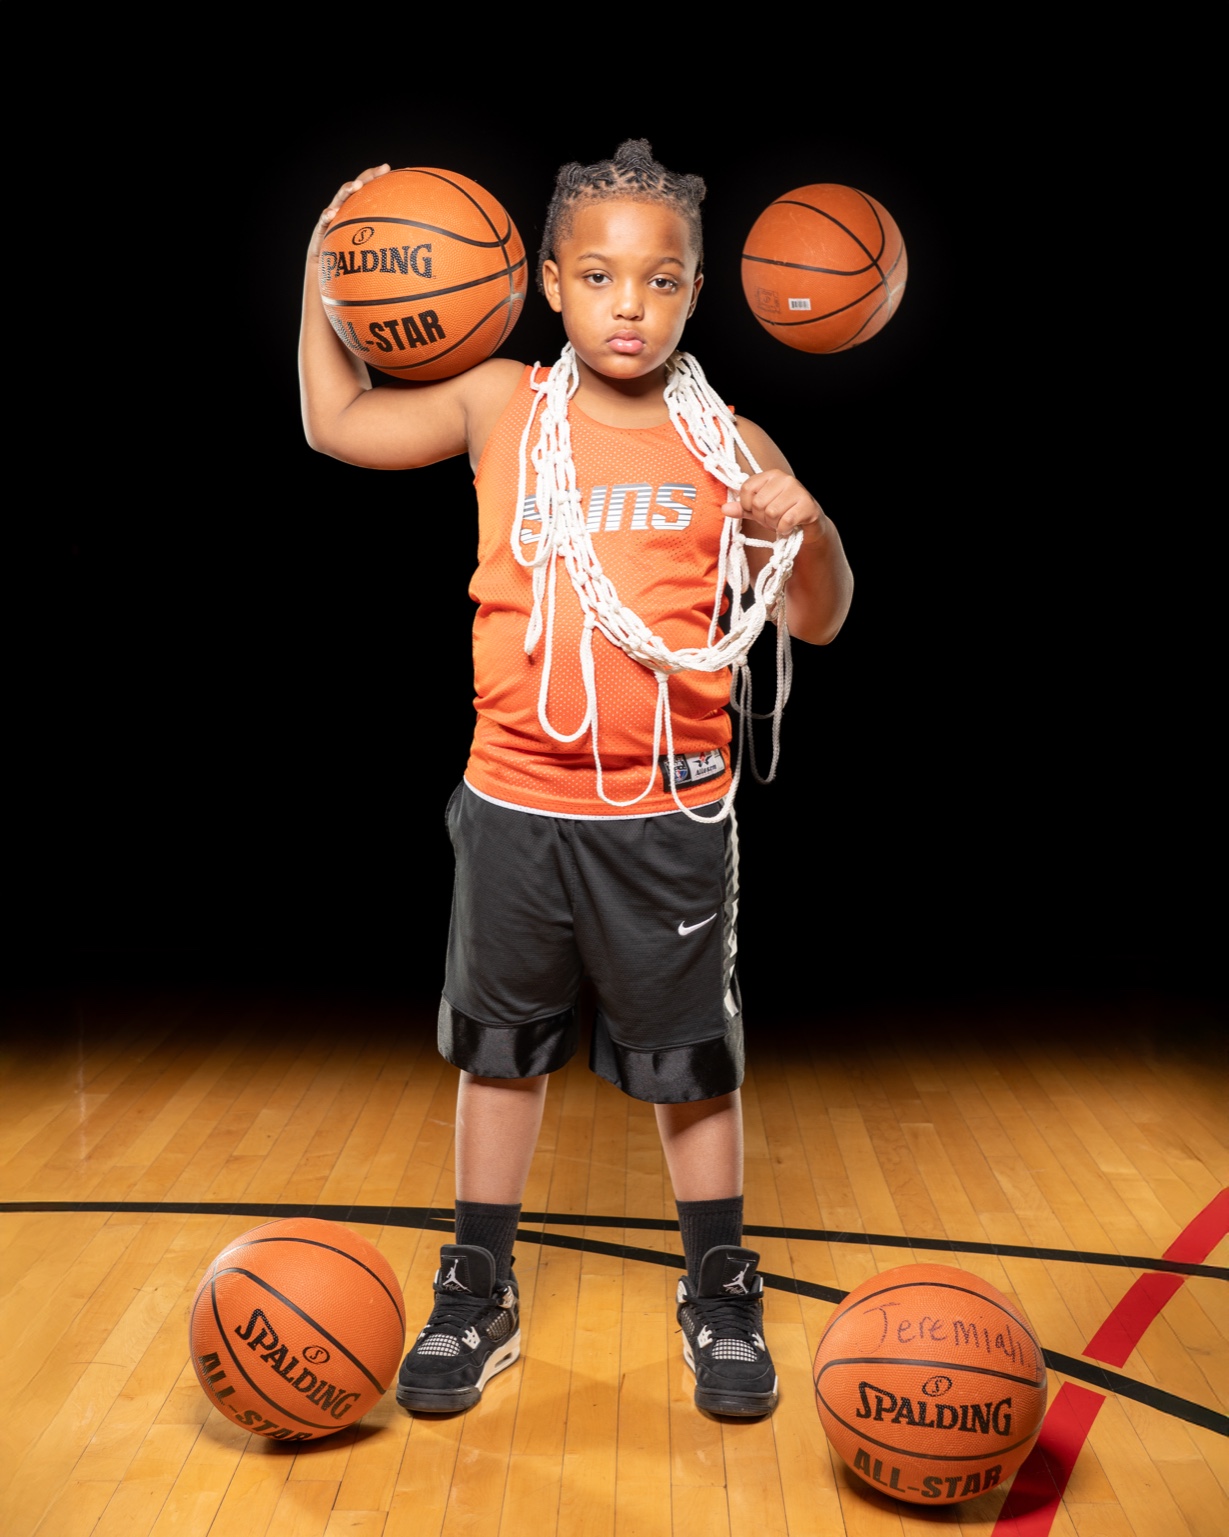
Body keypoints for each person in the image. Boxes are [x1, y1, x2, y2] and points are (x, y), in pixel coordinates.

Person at [300, 141, 853, 1418]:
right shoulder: (502, 403)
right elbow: (335, 423)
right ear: (547, 281)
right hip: (513, 803)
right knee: (496, 1056)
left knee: (689, 1064)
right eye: (598, 275)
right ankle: (476, 1286)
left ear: (698, 290)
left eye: (659, 281)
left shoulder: (729, 441)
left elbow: (816, 620)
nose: (626, 304)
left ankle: (716, 1286)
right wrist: (318, 272)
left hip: (666, 814)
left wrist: (805, 525)